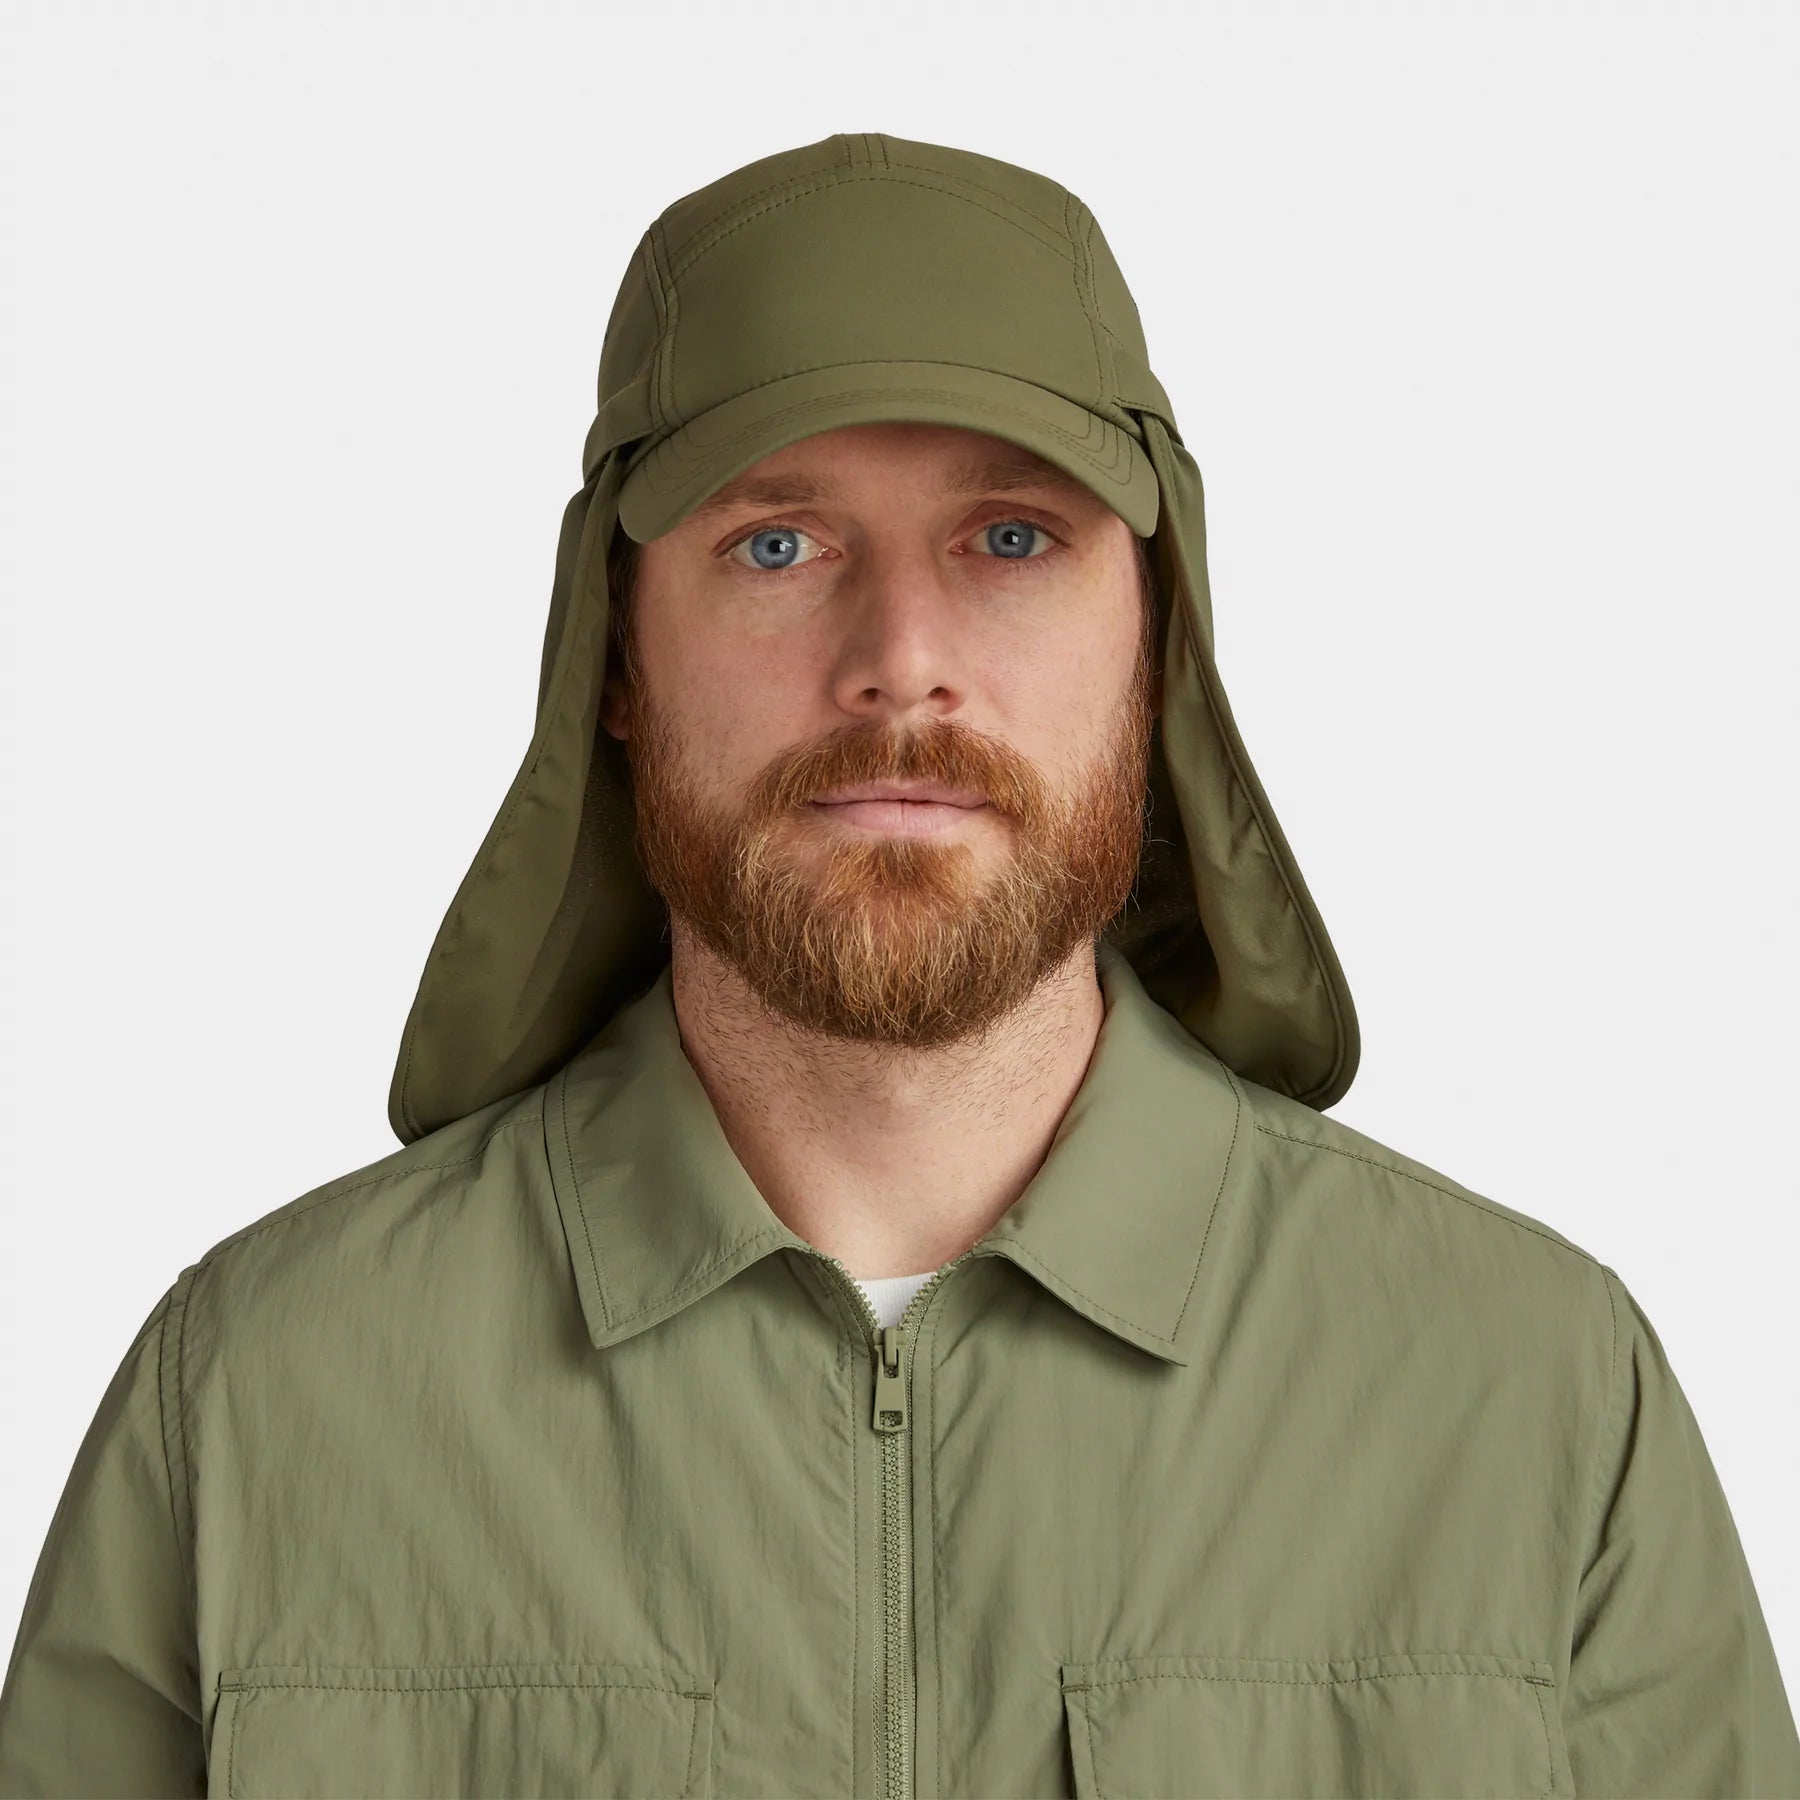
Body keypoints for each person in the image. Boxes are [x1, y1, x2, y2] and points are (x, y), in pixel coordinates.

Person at [1, 130, 1795, 1800]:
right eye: (776, 544)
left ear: (1158, 641)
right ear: (612, 658)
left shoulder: (1530, 1392)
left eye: (1013, 538)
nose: (901, 659)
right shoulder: (258, 1399)